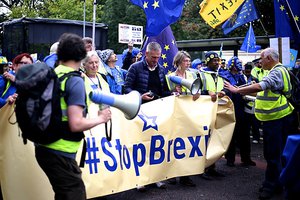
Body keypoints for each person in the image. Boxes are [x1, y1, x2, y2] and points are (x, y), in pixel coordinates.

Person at [35, 33, 111, 200]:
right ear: (81, 55)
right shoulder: (75, 80)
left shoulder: (53, 74)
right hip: (60, 150)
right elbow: (75, 124)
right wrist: (101, 119)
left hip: (44, 148)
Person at [224, 48, 294, 200]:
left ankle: (270, 186)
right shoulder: (276, 70)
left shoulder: (277, 71)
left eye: (261, 59)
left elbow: (259, 87)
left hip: (276, 120)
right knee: (276, 154)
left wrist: (236, 91)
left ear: (269, 58)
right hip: (276, 119)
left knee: (273, 154)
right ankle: (277, 183)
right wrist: (240, 90)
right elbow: (261, 91)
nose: (259, 62)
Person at [124, 41, 170, 190]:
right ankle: (139, 180)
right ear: (146, 54)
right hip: (140, 113)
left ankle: (155, 177)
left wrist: (172, 94)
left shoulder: (161, 70)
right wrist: (139, 97)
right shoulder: (135, 68)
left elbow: (164, 91)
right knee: (139, 146)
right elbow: (126, 89)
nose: (156, 60)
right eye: (153, 57)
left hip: (157, 114)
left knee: (156, 146)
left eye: (158, 57)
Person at [165, 50, 199, 187]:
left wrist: (196, 94)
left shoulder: (192, 75)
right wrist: (173, 92)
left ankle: (186, 175)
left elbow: (197, 92)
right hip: (176, 114)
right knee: (174, 144)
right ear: (178, 62)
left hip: (188, 113)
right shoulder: (170, 77)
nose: (188, 63)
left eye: (189, 61)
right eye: (185, 60)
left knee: (187, 145)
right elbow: (166, 93)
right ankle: (172, 174)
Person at [197, 51, 229, 180]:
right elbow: (196, 89)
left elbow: (228, 87)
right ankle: (201, 168)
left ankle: (212, 167)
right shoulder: (201, 74)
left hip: (218, 109)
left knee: (215, 139)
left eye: (218, 60)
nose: (217, 63)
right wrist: (207, 92)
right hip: (205, 110)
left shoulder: (221, 73)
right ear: (208, 61)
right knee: (204, 140)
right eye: (214, 61)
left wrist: (223, 91)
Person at [222, 57, 256, 167]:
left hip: (243, 109)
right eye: (238, 63)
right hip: (230, 109)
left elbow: (245, 90)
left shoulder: (242, 76)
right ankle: (230, 159)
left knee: (245, 135)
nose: (240, 65)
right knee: (231, 135)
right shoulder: (225, 76)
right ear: (232, 65)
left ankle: (246, 158)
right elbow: (227, 91)